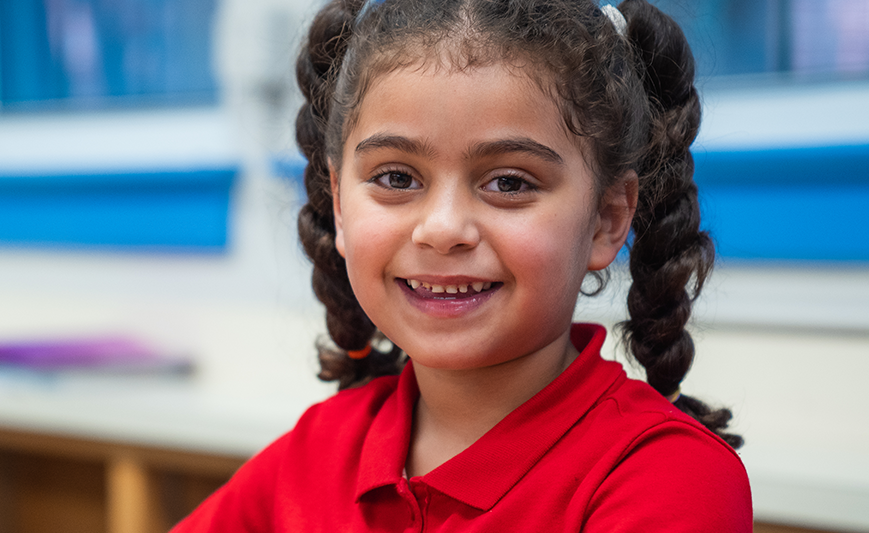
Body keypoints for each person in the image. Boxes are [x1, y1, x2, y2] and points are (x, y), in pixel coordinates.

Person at [175, 0, 750, 530]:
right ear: (340, 205)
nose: (444, 228)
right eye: (396, 178)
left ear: (606, 218)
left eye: (509, 182)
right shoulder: (312, 454)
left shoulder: (669, 477)